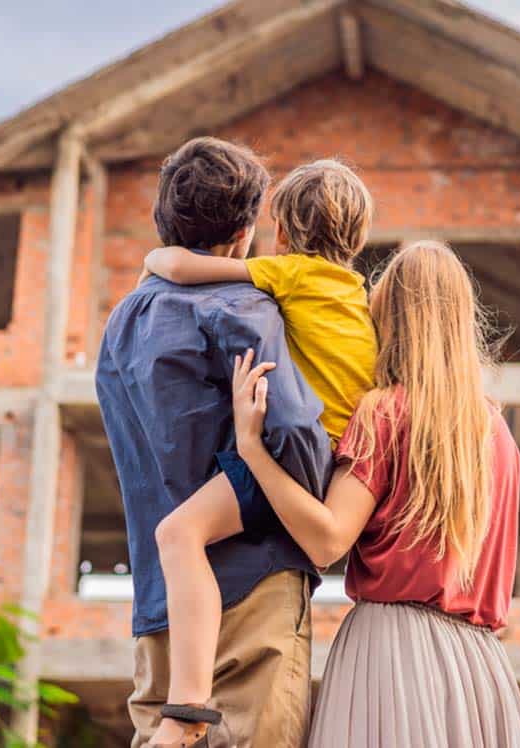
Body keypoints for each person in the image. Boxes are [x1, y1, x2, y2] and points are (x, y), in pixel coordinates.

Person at [230, 240, 520, 747]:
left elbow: (328, 540)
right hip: (481, 668)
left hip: (393, 655)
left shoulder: (385, 412)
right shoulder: (497, 433)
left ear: (388, 319)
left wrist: (252, 449)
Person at [95, 137, 333, 748]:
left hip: (162, 607)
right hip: (254, 591)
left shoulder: (121, 324)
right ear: (246, 227)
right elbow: (293, 431)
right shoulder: (243, 307)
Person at [142, 159, 377, 747]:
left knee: (177, 535)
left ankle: (186, 707)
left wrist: (153, 260)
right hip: (339, 471)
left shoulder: (291, 274)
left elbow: (178, 265)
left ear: (281, 229)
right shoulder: (358, 296)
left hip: (298, 458)